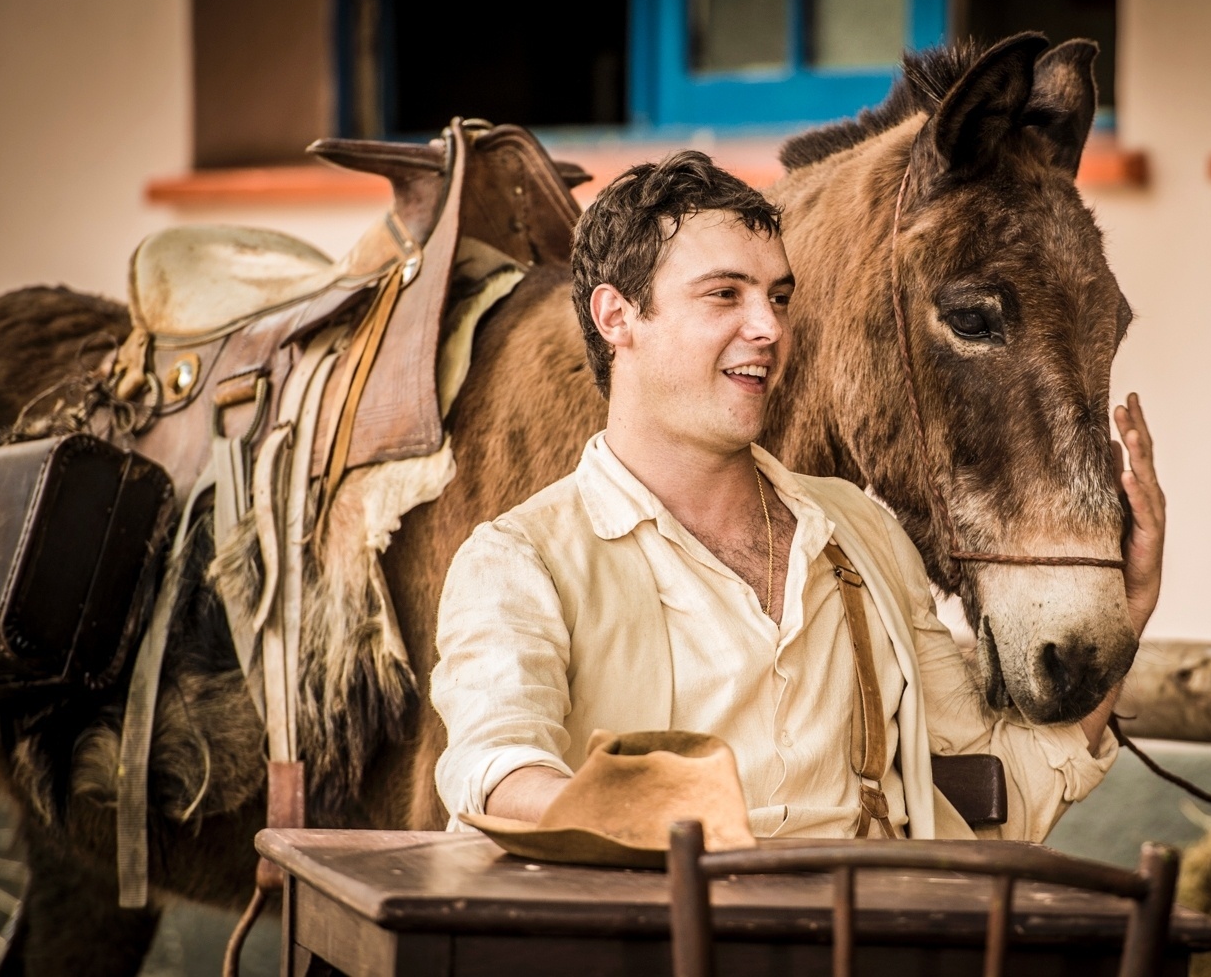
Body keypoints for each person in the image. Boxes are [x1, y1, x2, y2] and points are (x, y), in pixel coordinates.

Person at [431, 151, 1165, 842]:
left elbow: (1002, 800)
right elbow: (495, 770)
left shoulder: (865, 535)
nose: (770, 328)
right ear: (616, 317)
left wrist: (1128, 607)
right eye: (726, 294)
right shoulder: (519, 560)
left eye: (778, 297)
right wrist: (680, 839)